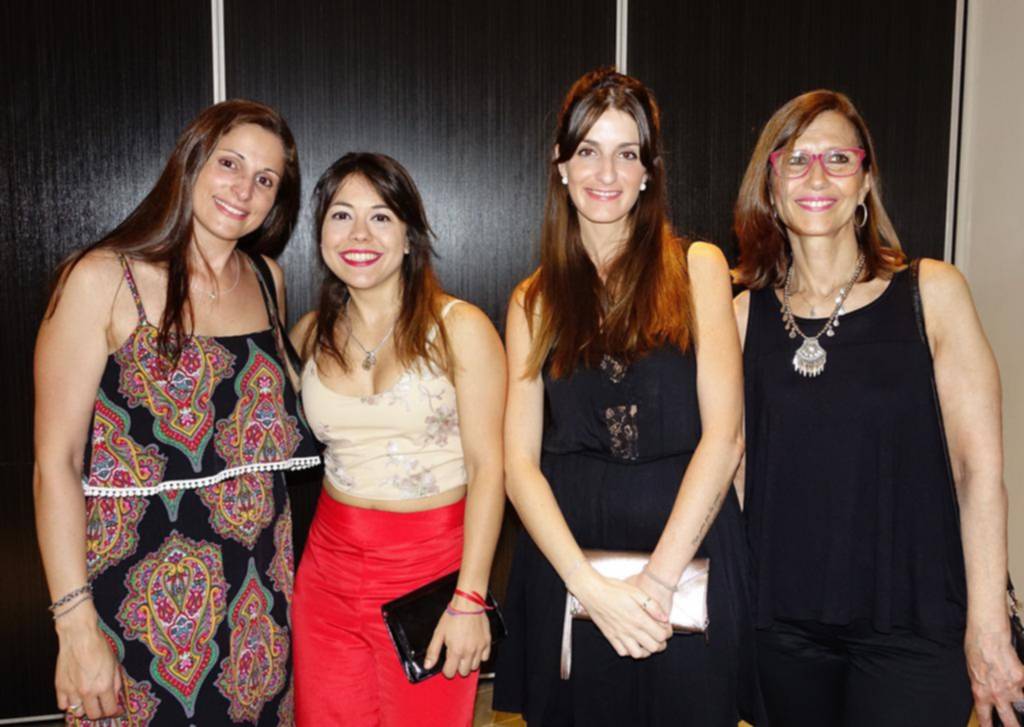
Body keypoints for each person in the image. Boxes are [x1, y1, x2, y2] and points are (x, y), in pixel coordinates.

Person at [733, 89, 1024, 727]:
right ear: (771, 185)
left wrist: (988, 627)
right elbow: (735, 474)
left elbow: (979, 474)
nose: (817, 177)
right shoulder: (740, 316)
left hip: (914, 625)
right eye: (796, 159)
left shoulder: (933, 294)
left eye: (838, 158)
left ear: (865, 182)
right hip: (780, 629)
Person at [33, 99, 321, 725]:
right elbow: (56, 463)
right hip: (137, 604)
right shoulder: (101, 278)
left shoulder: (267, 279)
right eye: (229, 164)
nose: (244, 190)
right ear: (191, 163)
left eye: (266, 179)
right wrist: (75, 625)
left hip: (259, 600)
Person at [492, 67, 762, 726]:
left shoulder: (698, 268)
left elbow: (724, 437)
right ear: (561, 165)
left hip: (689, 558)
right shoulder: (532, 299)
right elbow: (518, 465)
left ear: (649, 172)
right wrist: (589, 588)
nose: (606, 172)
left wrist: (656, 582)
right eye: (588, 150)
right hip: (568, 562)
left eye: (627, 153)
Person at [288, 152, 506, 727]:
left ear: (409, 236)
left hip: (431, 574)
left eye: (380, 217)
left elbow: (489, 469)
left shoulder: (460, 328)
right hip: (327, 575)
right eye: (341, 216)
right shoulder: (308, 335)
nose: (359, 234)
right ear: (321, 234)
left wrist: (471, 597)